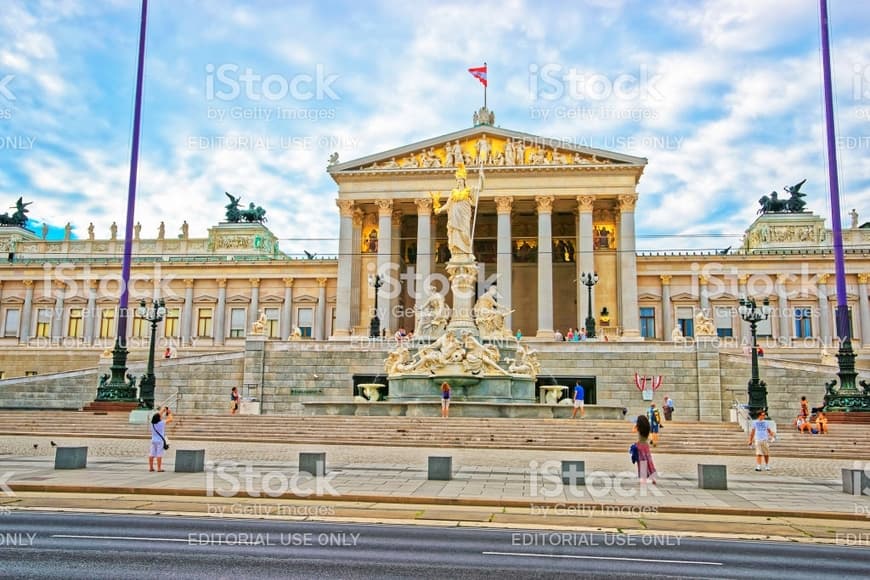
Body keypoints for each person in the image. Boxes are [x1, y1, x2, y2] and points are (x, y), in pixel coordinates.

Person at [633, 414, 657, 484]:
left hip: (640, 446)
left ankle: (643, 479)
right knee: (649, 462)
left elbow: (633, 430)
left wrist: (635, 425)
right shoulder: (647, 427)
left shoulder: (639, 428)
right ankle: (653, 478)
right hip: (646, 446)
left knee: (642, 462)